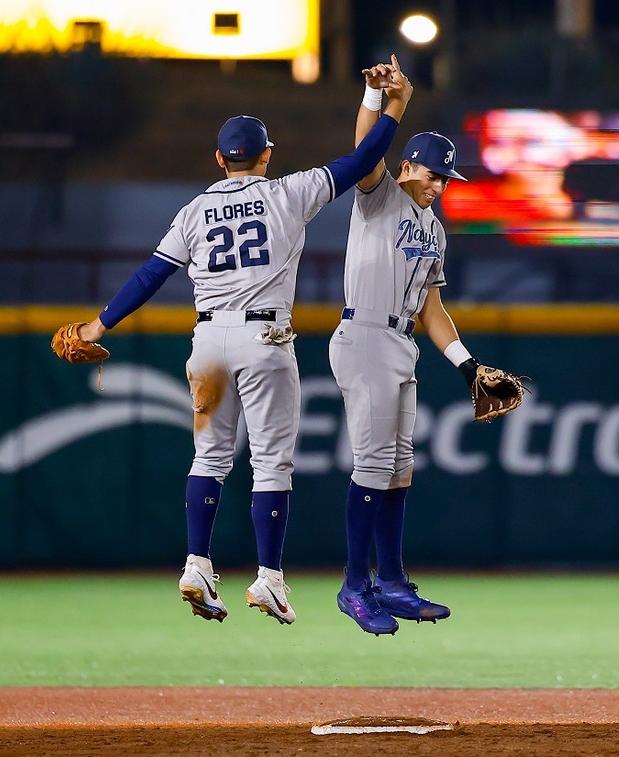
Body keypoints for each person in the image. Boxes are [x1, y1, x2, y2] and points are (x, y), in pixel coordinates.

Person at [72, 65, 413, 626]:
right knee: (271, 463)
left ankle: (197, 565)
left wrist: (99, 325)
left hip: (207, 339)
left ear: (219, 159)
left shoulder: (194, 211)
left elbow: (150, 275)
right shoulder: (288, 192)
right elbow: (361, 161)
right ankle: (269, 578)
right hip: (264, 338)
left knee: (209, 457)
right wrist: (392, 106)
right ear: (266, 154)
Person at [330, 54, 485, 636]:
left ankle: (392, 581)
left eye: (446, 179)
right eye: (435, 175)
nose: (441, 186)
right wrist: (380, 98)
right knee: (373, 466)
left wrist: (467, 366)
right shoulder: (380, 196)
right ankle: (355, 586)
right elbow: (364, 151)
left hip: (402, 342)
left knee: (398, 470)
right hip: (365, 333)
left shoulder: (434, 228)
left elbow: (432, 310)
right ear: (408, 167)